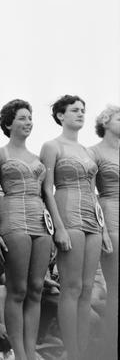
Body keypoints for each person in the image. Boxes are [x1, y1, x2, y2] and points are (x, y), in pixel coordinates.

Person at [40, 95, 110, 360]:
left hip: (92, 217)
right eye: (74, 110)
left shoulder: (88, 152)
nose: (81, 113)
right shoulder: (52, 146)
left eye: (83, 110)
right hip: (67, 212)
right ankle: (72, 352)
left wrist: (103, 229)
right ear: (61, 115)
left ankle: (83, 350)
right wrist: (57, 227)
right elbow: (46, 189)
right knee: (71, 287)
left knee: (87, 288)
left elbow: (93, 191)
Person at [0, 99, 52, 360]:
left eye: (30, 118)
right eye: (22, 118)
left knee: (36, 288)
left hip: (41, 220)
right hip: (13, 218)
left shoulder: (38, 158)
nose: (28, 122)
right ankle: (19, 353)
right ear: (8, 124)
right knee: (17, 289)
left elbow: (47, 193)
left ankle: (30, 350)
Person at [90, 105, 119, 360]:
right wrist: (103, 231)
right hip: (110, 214)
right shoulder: (94, 152)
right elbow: (90, 194)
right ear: (105, 122)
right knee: (115, 286)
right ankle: (110, 347)